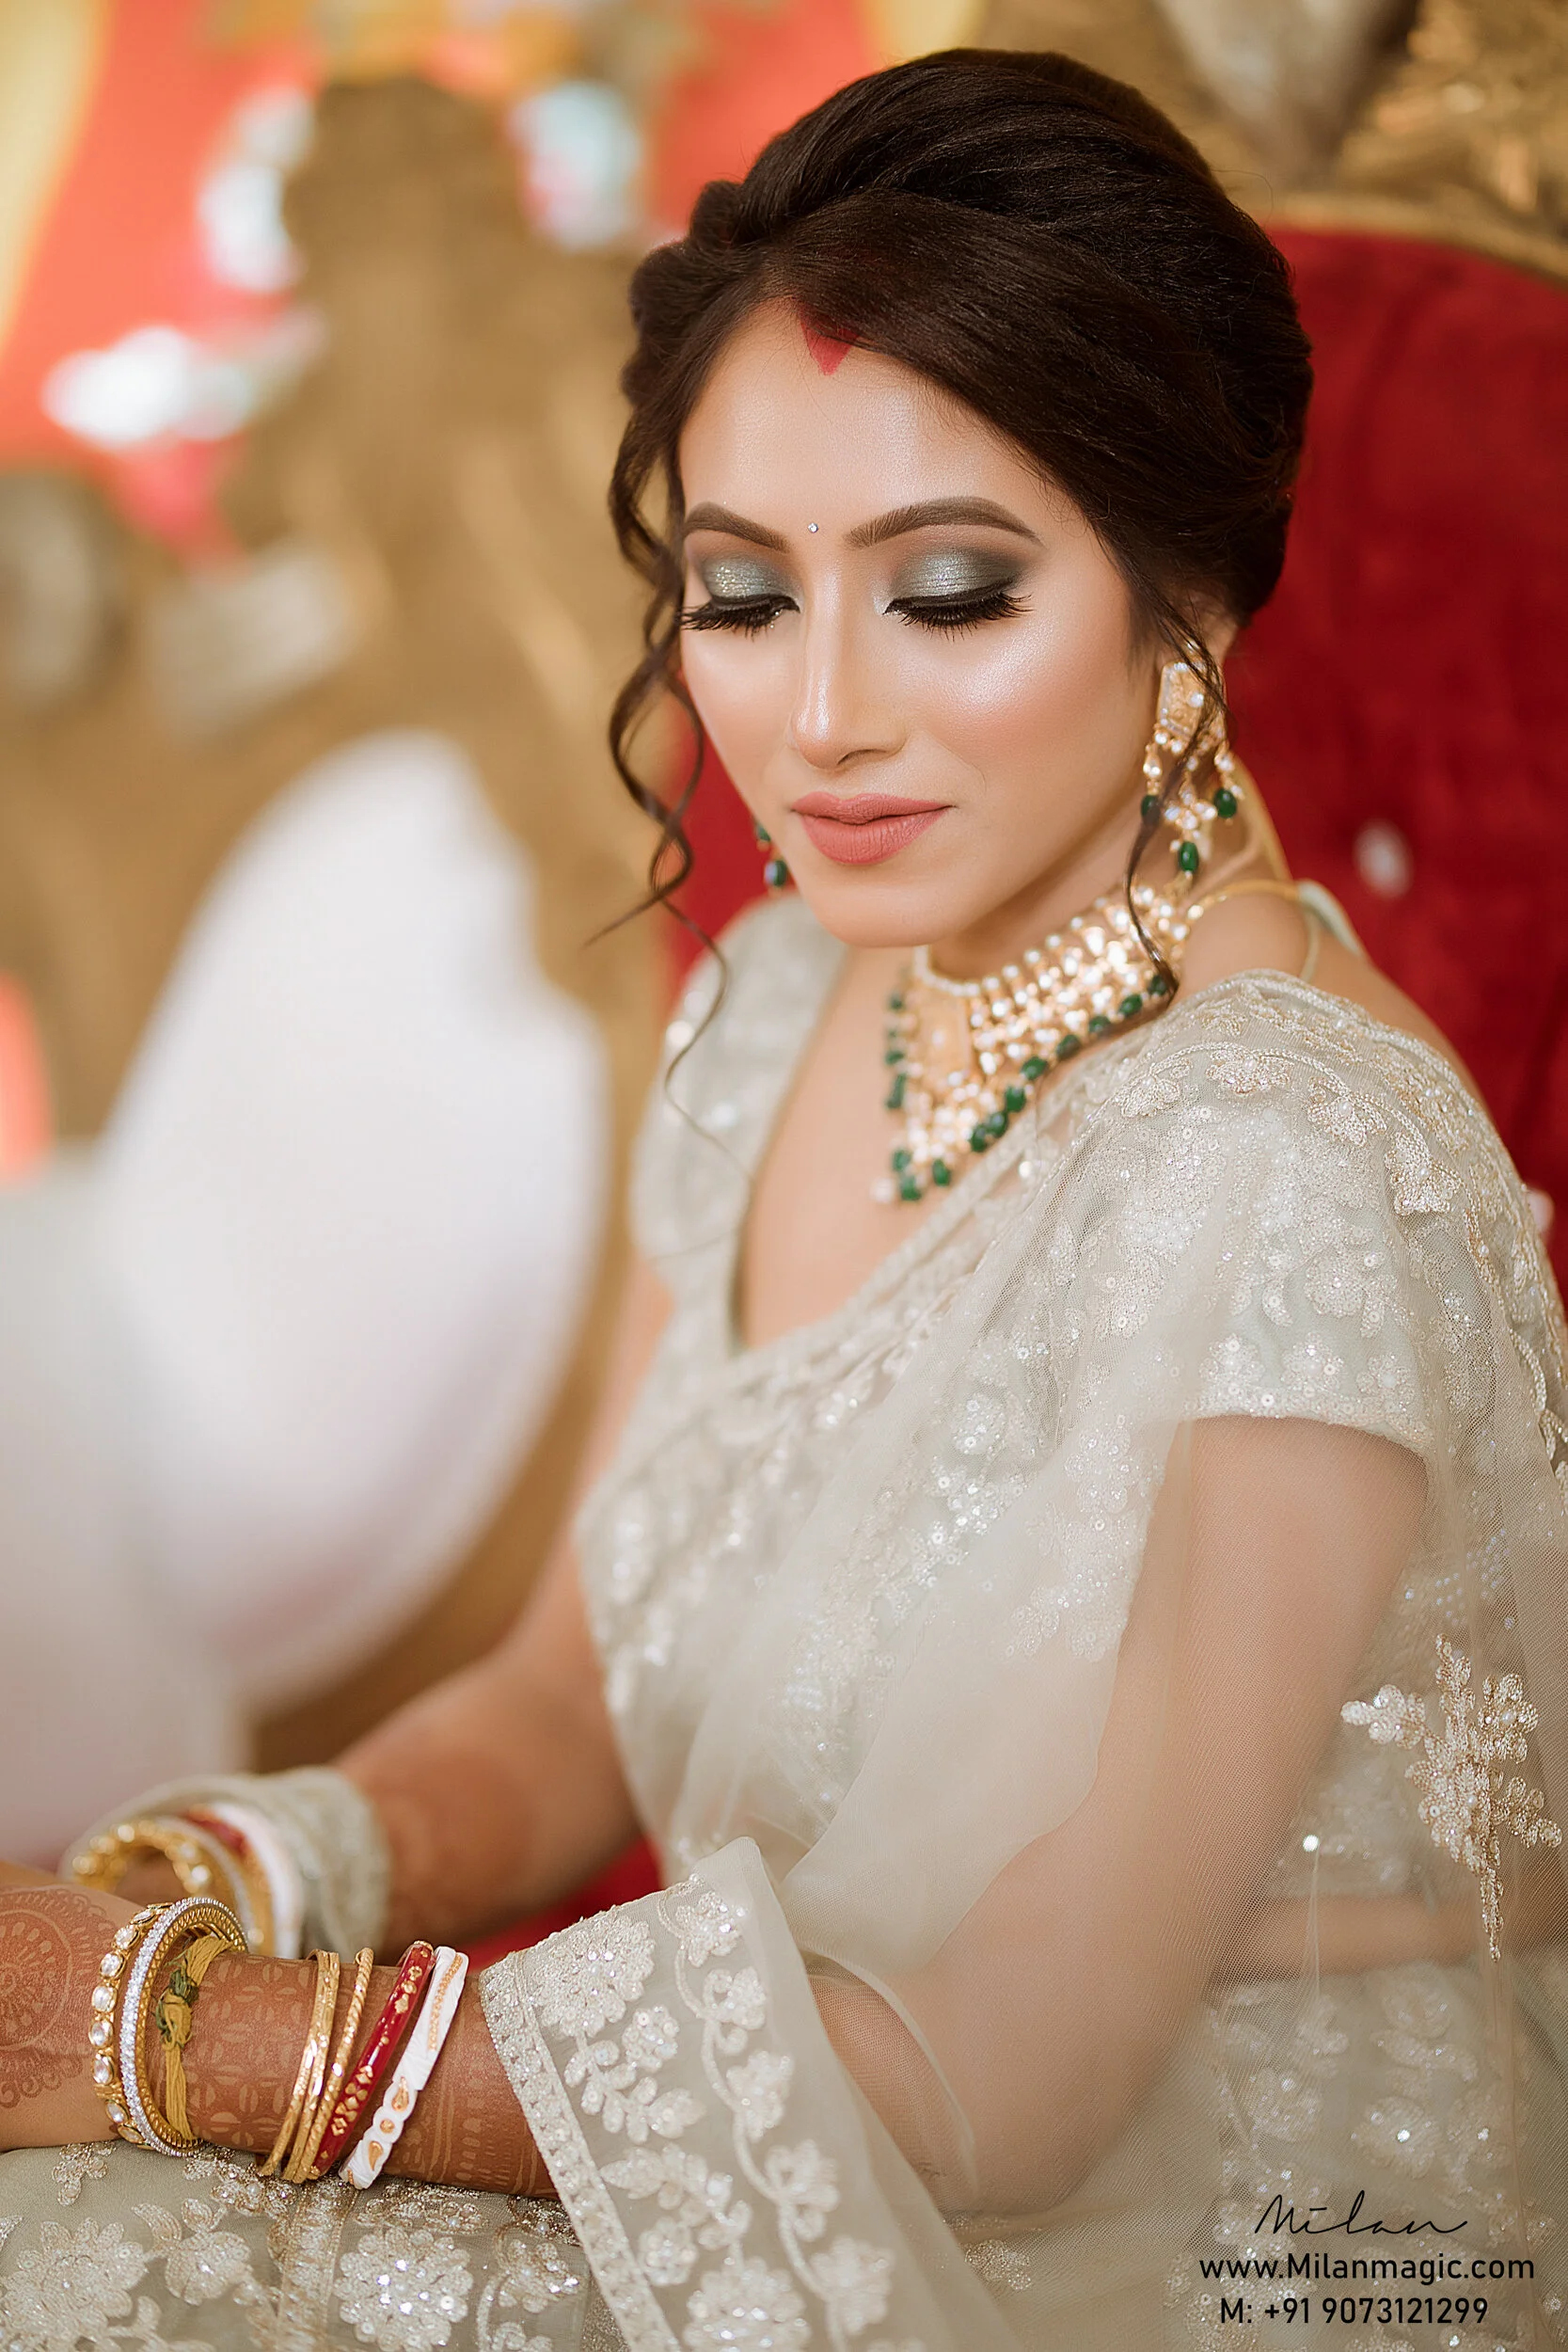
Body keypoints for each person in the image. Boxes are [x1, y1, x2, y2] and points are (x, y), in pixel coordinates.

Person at [3, 47, 1565, 2352]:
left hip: (1215, 2247)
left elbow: (1016, 2070)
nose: (817, 717)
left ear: (1184, 607)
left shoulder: (1294, 1166)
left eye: (944, 592)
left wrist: (189, 2039)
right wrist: (211, 1870)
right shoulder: (769, 1013)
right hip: (823, 2125)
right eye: (740, 595)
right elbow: (560, 1701)